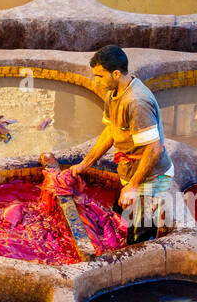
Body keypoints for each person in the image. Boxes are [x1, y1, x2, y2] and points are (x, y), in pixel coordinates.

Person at [70, 45, 175, 244]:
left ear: (116, 73)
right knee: (118, 216)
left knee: (138, 239)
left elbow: (153, 149)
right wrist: (85, 164)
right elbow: (111, 131)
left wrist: (134, 186)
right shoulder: (114, 92)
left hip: (151, 176)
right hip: (130, 169)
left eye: (100, 76)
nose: (96, 81)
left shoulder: (137, 101)